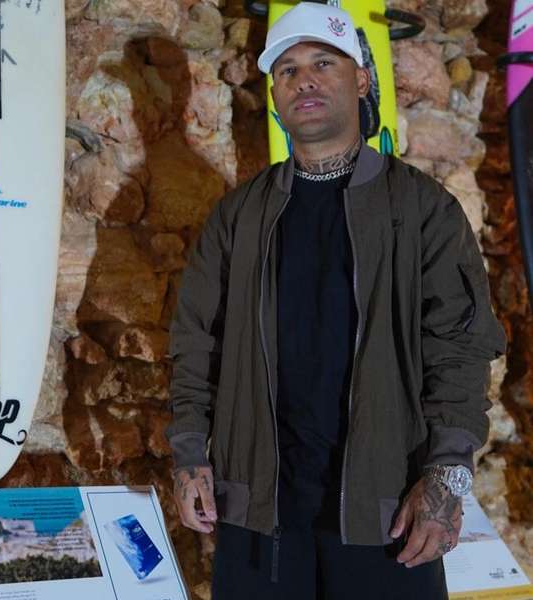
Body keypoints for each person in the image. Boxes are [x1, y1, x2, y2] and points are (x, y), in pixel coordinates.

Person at [165, 3, 507, 598]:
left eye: (324, 62)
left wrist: (445, 476)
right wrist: (189, 454)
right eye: (289, 70)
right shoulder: (237, 217)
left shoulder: (423, 211)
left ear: (362, 78)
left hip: (388, 514)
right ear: (275, 92)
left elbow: (459, 347)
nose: (306, 80)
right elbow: (196, 342)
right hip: (257, 517)